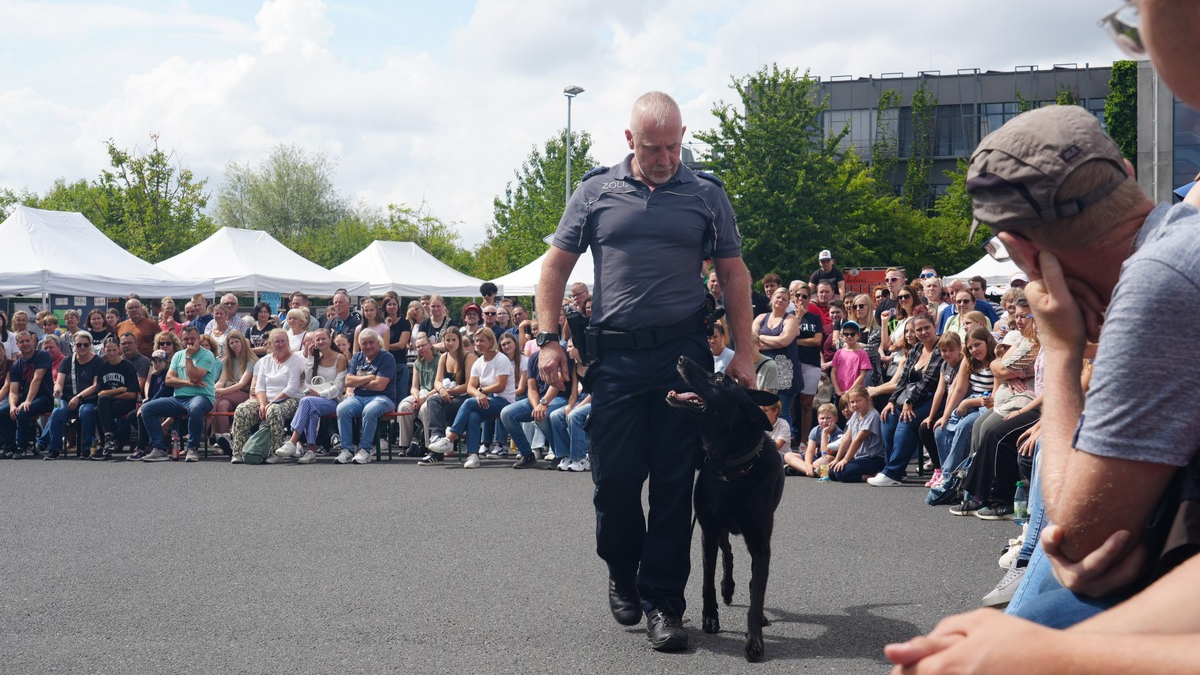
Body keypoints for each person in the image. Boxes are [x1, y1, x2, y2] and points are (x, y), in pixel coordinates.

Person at [535, 91, 753, 652]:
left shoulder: (706, 195)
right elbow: (555, 267)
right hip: (617, 360)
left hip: (683, 355)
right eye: (653, 147)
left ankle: (663, 603)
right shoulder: (595, 191)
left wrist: (747, 353)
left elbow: (733, 274)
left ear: (685, 136)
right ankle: (620, 567)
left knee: (676, 483)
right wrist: (547, 340)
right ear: (629, 140)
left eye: (674, 146)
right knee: (615, 481)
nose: (664, 158)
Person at [868, 313, 943, 486]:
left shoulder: (941, 348)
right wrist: (892, 401)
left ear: (934, 327)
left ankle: (892, 473)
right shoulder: (916, 349)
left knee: (906, 421)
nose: (923, 332)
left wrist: (909, 402)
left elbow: (929, 381)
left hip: (935, 397)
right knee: (888, 416)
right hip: (910, 396)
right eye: (919, 330)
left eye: (926, 328)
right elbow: (903, 379)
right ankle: (893, 469)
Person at [428, 327, 515, 469]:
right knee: (473, 415)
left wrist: (481, 391)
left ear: (491, 341)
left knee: (469, 403)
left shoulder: (501, 359)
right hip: (485, 400)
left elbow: (500, 386)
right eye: (476, 341)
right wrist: (478, 393)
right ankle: (473, 455)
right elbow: (470, 387)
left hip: (504, 401)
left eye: (482, 341)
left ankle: (450, 438)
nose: (478, 344)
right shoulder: (479, 362)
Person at [135, 325, 218, 463]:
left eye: (193, 338)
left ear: (198, 338)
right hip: (179, 398)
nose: (190, 342)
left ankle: (192, 447)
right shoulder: (178, 355)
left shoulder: (207, 355)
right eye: (186, 339)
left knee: (195, 408)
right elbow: (169, 380)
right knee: (147, 408)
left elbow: (195, 377)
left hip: (202, 397)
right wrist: (189, 383)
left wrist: (189, 358)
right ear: (182, 340)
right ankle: (159, 449)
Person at [228, 329, 306, 464]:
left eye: (283, 341)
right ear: (270, 344)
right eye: (277, 342)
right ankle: (238, 452)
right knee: (242, 409)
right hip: (265, 399)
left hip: (290, 399)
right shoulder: (264, 361)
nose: (280, 344)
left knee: (273, 411)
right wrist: (263, 404)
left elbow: (291, 389)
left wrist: (270, 404)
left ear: (288, 342)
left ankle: (275, 452)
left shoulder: (296, 361)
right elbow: (260, 387)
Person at [274, 328, 348, 463]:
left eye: (323, 338)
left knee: (307, 402)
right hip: (315, 400)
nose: (321, 341)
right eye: (317, 339)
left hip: (334, 400)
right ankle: (311, 450)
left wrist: (320, 394)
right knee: (311, 409)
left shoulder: (340, 358)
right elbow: (308, 380)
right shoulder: (316, 358)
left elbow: (339, 387)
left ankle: (293, 441)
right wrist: (309, 356)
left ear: (330, 340)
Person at [333, 328, 396, 465]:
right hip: (359, 397)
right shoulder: (357, 357)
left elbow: (380, 386)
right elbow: (348, 381)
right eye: (364, 343)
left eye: (371, 342)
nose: (368, 346)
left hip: (384, 397)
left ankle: (365, 450)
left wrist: (360, 380)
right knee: (342, 408)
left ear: (378, 343)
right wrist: (370, 377)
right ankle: (347, 450)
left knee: (370, 410)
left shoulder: (387, 358)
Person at [39, 331, 103, 459]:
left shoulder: (98, 361)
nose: (82, 347)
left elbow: (95, 385)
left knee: (86, 412)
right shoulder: (68, 360)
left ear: (90, 345)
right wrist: (57, 390)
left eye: (86, 344)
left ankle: (87, 449)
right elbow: (59, 382)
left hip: (87, 399)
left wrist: (78, 397)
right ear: (74, 345)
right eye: (79, 345)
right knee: (57, 412)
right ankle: (54, 449)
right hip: (67, 398)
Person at [416, 329, 474, 465]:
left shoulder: (468, 357)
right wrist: (442, 390)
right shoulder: (444, 357)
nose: (451, 343)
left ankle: (437, 448)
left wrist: (449, 392)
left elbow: (468, 385)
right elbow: (437, 381)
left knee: (434, 402)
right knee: (433, 400)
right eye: (447, 340)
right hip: (447, 396)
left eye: (454, 339)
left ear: (459, 340)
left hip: (464, 398)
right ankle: (437, 440)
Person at [0, 331, 54, 458]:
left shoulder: (43, 355)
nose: (25, 344)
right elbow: (13, 390)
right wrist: (13, 405)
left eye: (27, 340)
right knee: (3, 412)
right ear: (17, 344)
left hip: (44, 398)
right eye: (22, 342)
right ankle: (10, 446)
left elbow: (37, 379)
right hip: (25, 399)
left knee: (24, 410)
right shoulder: (15, 365)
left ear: (33, 342)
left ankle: (22, 446)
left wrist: (28, 400)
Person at [827, 385, 887, 482]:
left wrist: (845, 459)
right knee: (832, 473)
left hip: (873, 458)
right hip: (859, 457)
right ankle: (864, 473)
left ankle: (874, 475)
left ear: (867, 399)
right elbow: (847, 438)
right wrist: (837, 459)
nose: (855, 404)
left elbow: (858, 440)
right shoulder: (856, 414)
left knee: (841, 473)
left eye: (859, 401)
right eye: (852, 402)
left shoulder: (873, 416)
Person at [93, 338, 140, 458]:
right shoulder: (103, 367)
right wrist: (120, 389)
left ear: (119, 349)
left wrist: (109, 394)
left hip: (126, 403)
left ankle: (107, 442)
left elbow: (132, 394)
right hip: (109, 402)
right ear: (104, 350)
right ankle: (108, 441)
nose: (112, 353)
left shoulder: (128, 366)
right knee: (98, 407)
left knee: (101, 407)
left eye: (114, 350)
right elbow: (99, 393)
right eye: (108, 350)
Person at [212, 330, 257, 447]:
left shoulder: (251, 359)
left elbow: (242, 384)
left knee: (219, 397)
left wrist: (221, 392)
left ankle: (214, 434)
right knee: (221, 404)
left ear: (242, 342)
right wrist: (214, 390)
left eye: (237, 341)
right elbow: (221, 381)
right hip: (230, 392)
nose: (234, 345)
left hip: (245, 393)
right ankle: (224, 437)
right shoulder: (227, 360)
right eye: (231, 343)